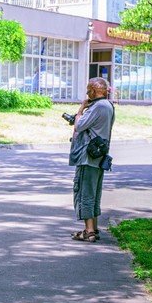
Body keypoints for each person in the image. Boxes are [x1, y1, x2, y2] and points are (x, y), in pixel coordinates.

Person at [68, 77, 115, 243]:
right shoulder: (109, 106)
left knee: (84, 192)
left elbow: (79, 126)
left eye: (89, 90)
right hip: (99, 155)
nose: (87, 93)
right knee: (94, 192)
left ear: (94, 91)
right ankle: (93, 227)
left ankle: (89, 232)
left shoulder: (97, 106)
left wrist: (80, 110)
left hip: (88, 156)